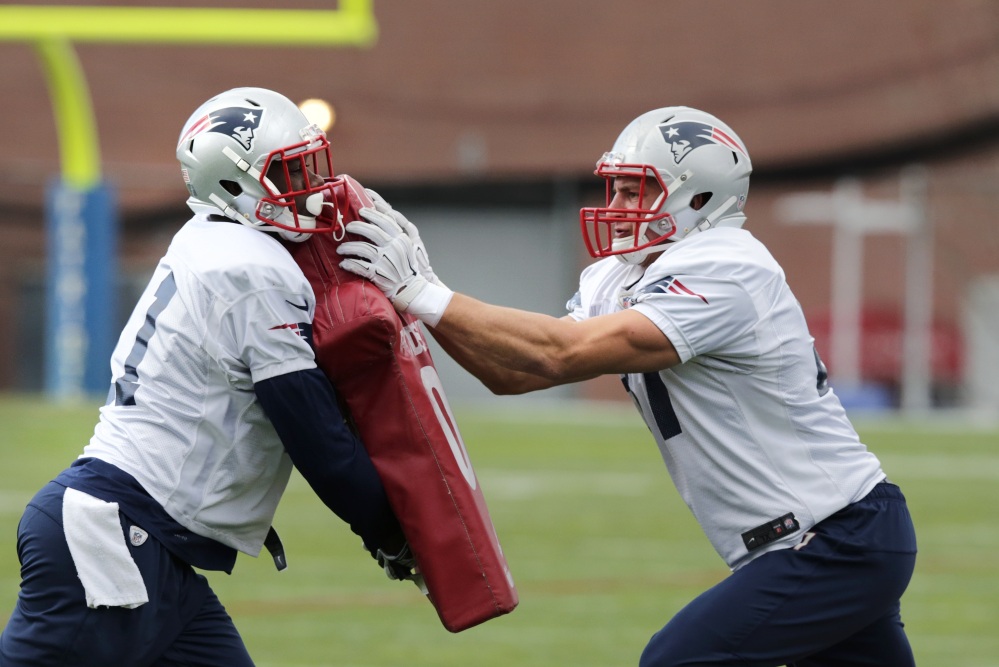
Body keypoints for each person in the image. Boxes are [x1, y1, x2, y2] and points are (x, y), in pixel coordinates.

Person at [335, 107, 918, 666]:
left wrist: (425, 293)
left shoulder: (731, 265)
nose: (615, 205)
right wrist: (420, 299)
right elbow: (513, 372)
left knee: (679, 659)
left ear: (700, 197)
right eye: (614, 188)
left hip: (838, 534)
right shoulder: (620, 275)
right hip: (814, 540)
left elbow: (563, 352)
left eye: (634, 189)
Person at [0, 87, 414, 667]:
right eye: (291, 173)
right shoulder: (252, 267)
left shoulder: (214, 242)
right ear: (232, 184)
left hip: (145, 542)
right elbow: (313, 432)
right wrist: (390, 528)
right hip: (116, 537)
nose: (312, 189)